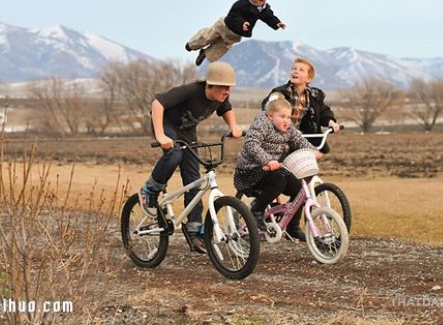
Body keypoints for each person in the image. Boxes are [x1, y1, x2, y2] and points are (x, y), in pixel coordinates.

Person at [140, 62, 242, 254]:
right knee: (174, 154)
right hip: (167, 125)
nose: (227, 91)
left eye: (229, 88)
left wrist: (234, 127)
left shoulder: (220, 98)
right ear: (209, 85)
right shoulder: (191, 91)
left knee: (194, 180)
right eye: (224, 87)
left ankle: (194, 229)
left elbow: (226, 110)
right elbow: (157, 104)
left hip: (187, 132)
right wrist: (161, 135)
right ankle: (151, 188)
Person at [234, 96, 322, 242]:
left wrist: (313, 151)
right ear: (270, 116)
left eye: (288, 116)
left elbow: (299, 140)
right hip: (249, 172)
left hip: (270, 169)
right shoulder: (262, 123)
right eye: (282, 116)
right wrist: (268, 160)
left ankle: (293, 229)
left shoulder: (287, 127)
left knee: (299, 188)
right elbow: (251, 144)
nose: (286, 120)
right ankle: (257, 210)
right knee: (278, 181)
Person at [185, 0, 286, 66]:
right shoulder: (240, 5)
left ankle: (204, 54)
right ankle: (192, 44)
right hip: (224, 25)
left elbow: (269, 16)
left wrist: (276, 23)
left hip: (235, 34)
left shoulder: (262, 9)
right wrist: (242, 23)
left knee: (221, 48)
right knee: (208, 36)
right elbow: (234, 15)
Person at [262, 57, 340, 153]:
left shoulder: (314, 96)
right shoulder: (280, 92)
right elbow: (268, 105)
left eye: (301, 70)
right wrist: (273, 101)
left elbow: (323, 111)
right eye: (294, 69)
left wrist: (331, 122)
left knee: (309, 161)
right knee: (279, 163)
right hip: (281, 136)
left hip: (303, 136)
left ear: (308, 79)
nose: (296, 71)